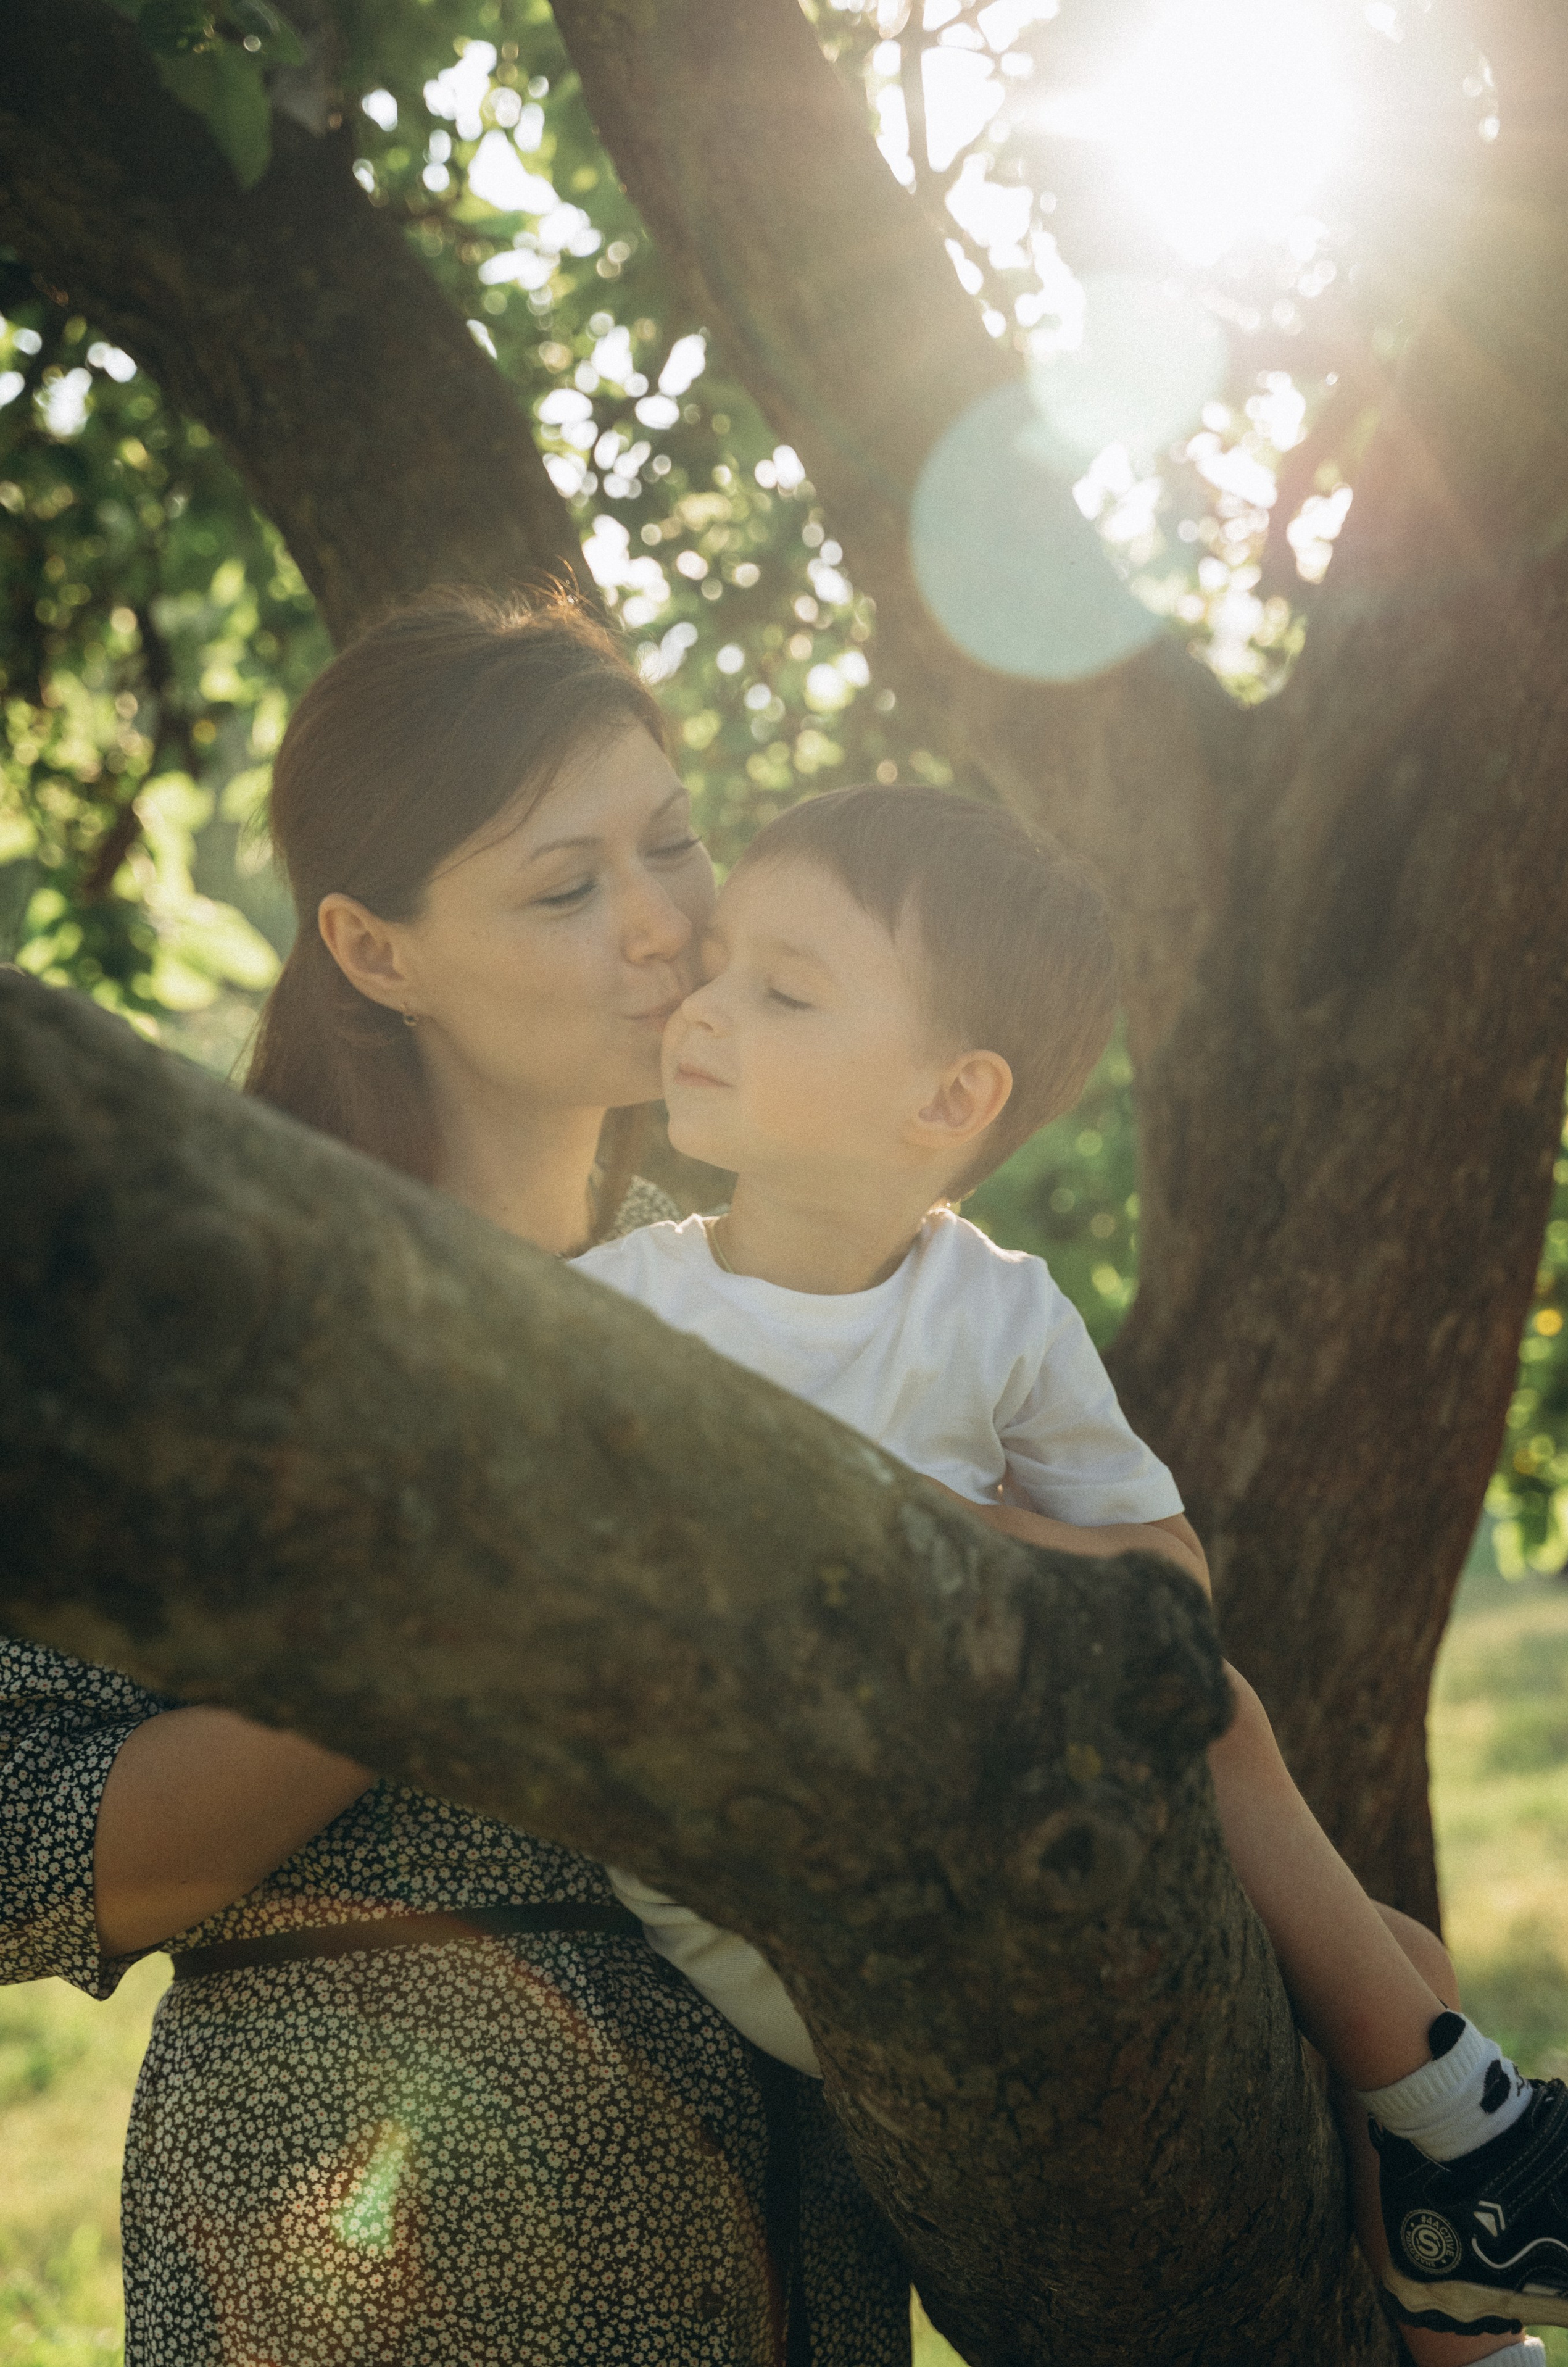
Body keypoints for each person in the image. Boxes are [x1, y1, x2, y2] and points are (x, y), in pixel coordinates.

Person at [0, 593, 910, 2366]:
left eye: (674, 842)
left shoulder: (768, 1307)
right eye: (564, 887)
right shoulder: (211, 1332)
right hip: (357, 2258)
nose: (662, 927)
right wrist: (471, 1596)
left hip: (777, 2248)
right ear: (373, 946)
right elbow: (25, 1850)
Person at [576, 781, 1568, 2364]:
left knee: (1403, 1957)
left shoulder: (994, 1308)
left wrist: (931, 1522)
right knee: (1267, 1803)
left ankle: (1477, 2305)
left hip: (1015, 1812)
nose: (698, 1007)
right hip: (779, 1884)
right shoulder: (618, 1313)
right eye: (715, 968)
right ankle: (1487, 2141)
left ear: (948, 1097)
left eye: (780, 988)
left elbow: (1159, 1589)